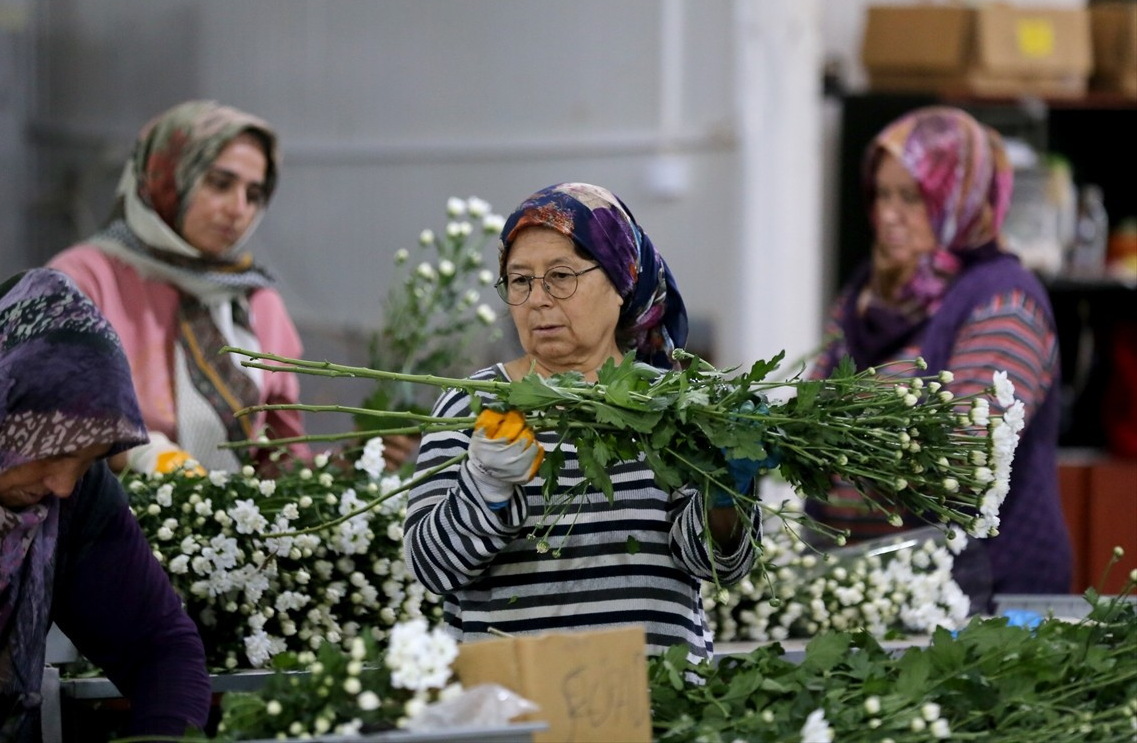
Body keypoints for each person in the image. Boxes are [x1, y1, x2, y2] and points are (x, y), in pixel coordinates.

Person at [404, 182, 762, 661]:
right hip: (516, 703)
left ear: (619, 284)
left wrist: (727, 497)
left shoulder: (674, 405)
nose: (537, 299)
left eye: (561, 276)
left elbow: (722, 567)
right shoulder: (473, 405)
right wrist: (483, 488)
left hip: (657, 698)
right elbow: (433, 569)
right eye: (520, 280)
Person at [0, 268, 211, 742]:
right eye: (54, 452)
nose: (63, 486)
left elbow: (159, 647)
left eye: (86, 461)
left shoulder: (74, 497)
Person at [808, 106, 1071, 596]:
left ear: (960, 198)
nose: (888, 214)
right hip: (870, 587)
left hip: (986, 596)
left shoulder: (1005, 299)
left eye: (912, 197)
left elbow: (967, 457)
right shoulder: (866, 292)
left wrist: (831, 427)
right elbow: (810, 415)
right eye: (882, 194)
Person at [47, 99, 311, 476]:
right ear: (167, 175)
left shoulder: (256, 303)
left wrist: (354, 466)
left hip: (236, 528)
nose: (239, 209)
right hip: (106, 522)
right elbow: (45, 420)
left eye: (254, 195)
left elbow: (281, 458)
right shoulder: (81, 281)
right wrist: (140, 454)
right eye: (220, 184)